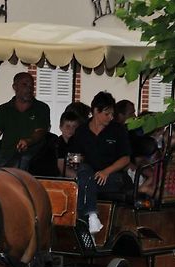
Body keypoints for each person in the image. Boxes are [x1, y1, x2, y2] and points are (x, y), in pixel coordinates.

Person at [69, 91, 132, 234]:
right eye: (107, 114)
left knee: (84, 184)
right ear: (95, 111)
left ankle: (83, 221)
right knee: (85, 173)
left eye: (112, 114)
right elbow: (76, 158)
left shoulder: (118, 130)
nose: (110, 117)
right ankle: (91, 215)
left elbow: (126, 158)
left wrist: (106, 171)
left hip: (113, 176)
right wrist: (74, 167)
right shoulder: (82, 131)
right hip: (89, 176)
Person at [0, 72, 50, 169]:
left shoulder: (41, 108)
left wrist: (28, 141)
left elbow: (40, 132)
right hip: (5, 154)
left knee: (12, 174)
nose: (29, 88)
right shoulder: (3, 109)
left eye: (31, 85)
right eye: (24, 85)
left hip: (32, 155)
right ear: (15, 87)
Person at [55, 111, 81, 177]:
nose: (71, 129)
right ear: (61, 127)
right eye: (67, 126)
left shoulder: (78, 143)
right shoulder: (58, 144)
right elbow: (62, 169)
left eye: (74, 126)